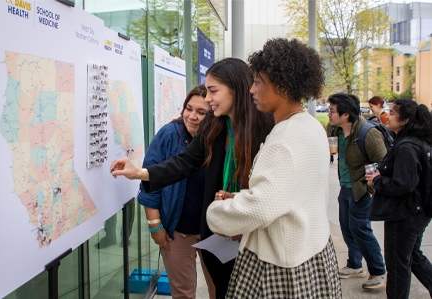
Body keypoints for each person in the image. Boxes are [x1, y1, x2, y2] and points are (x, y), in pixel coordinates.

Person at [110, 58, 274, 298]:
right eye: (206, 91)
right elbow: (185, 162)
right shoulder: (215, 124)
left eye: (213, 91)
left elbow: (270, 188)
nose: (207, 99)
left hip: (251, 233)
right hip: (217, 233)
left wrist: (239, 199)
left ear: (236, 88)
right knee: (219, 289)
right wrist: (140, 173)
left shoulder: (266, 126)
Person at [207, 38, 342, 298]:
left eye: (258, 82)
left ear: (281, 85)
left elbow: (261, 208)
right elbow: (287, 192)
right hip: (313, 253)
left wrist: (217, 212)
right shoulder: (311, 126)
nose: (252, 90)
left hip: (280, 265)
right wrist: (242, 196)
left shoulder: (284, 138)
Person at [137, 84, 214, 298]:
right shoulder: (169, 134)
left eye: (201, 112)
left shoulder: (222, 138)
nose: (192, 116)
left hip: (215, 232)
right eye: (188, 108)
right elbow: (150, 184)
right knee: (183, 293)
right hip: (178, 232)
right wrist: (155, 226)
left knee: (219, 289)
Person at [366, 99, 432, 298]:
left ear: (405, 120)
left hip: (405, 214)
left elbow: (403, 184)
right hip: (416, 212)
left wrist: (377, 180)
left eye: (393, 112)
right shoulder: (415, 142)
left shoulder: (406, 146)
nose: (388, 114)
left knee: (397, 264)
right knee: (411, 255)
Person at [327, 92, 387, 289]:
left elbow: (382, 163)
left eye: (332, 111)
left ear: (345, 115)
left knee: (360, 229)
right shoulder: (336, 130)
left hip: (361, 189)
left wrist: (370, 186)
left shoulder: (368, 133)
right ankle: (354, 265)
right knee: (347, 228)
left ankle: (378, 270)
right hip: (345, 187)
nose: (329, 114)